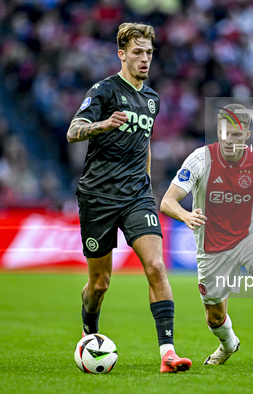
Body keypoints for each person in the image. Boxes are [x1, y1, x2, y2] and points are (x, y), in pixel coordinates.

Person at [66, 22, 191, 373]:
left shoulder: (152, 99)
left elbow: (145, 141)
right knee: (100, 283)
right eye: (137, 52)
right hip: (98, 196)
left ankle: (168, 353)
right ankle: (89, 332)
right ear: (121, 54)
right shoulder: (104, 91)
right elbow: (73, 131)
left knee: (155, 266)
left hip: (137, 196)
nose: (145, 59)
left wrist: (147, 184)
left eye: (149, 53)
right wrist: (103, 125)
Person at [160, 103, 253, 370]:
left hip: (251, 236)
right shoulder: (200, 159)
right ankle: (229, 344)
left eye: (236, 134)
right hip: (212, 245)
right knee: (215, 317)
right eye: (224, 133)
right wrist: (185, 215)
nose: (229, 140)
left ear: (248, 134)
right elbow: (167, 201)